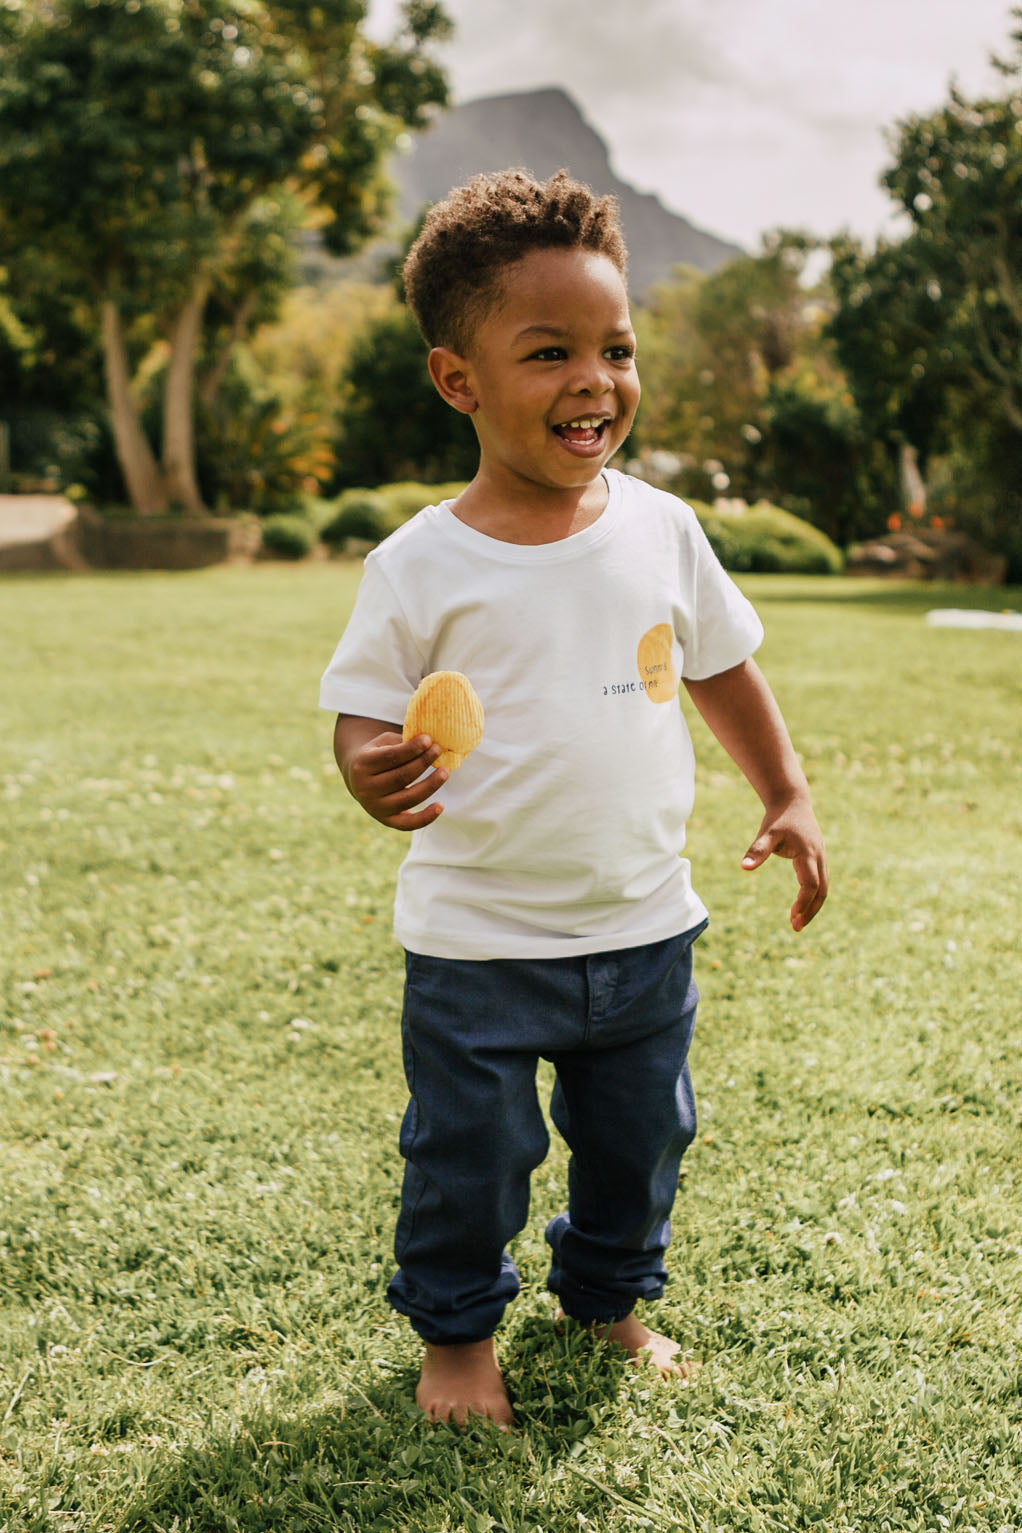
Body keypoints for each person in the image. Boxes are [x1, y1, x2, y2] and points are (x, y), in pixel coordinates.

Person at [319, 168, 827, 1429]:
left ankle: (604, 1299)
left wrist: (788, 791)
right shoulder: (419, 562)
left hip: (645, 925)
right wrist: (368, 767)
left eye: (614, 347)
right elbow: (361, 710)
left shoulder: (660, 530)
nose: (593, 380)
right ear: (459, 381)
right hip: (479, 941)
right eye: (547, 353)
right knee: (467, 1157)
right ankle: (454, 1343)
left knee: (639, 1145)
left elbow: (721, 664)